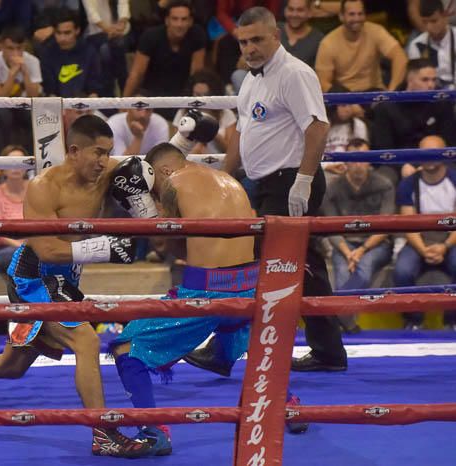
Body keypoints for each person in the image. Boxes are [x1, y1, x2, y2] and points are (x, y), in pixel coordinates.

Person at [0, 115, 154, 458]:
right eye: (97, 153)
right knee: (86, 339)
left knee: (12, 365)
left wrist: (145, 206)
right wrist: (106, 248)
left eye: (107, 153)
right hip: (34, 276)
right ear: (74, 150)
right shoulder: (44, 188)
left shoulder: (109, 171)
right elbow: (46, 248)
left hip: (65, 278)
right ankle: (104, 433)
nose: (103, 161)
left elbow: (153, 183)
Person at [110, 133, 309, 455]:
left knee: (125, 346)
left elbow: (167, 245)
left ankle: (152, 431)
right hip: (251, 283)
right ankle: (287, 403)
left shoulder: (174, 184)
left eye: (154, 190)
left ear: (161, 172)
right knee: (235, 325)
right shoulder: (227, 179)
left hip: (209, 289)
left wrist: (143, 210)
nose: (157, 195)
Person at [220, 6, 347, 372]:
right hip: (264, 184)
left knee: (268, 267)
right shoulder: (250, 79)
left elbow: (318, 128)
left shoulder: (294, 73)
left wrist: (303, 181)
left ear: (276, 36)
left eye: (257, 39)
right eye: (244, 41)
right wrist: (225, 179)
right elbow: (241, 132)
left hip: (291, 183)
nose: (250, 48)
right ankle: (328, 353)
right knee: (305, 268)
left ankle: (232, 348)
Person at [323, 138, 395, 334]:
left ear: (369, 160)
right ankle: (347, 323)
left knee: (364, 267)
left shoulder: (384, 184)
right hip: (344, 244)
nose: (358, 165)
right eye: (353, 159)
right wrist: (348, 253)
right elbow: (331, 227)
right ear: (346, 162)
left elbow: (385, 226)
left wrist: (362, 250)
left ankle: (337, 317)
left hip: (375, 245)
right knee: (341, 270)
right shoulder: (333, 188)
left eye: (362, 159)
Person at [394, 135, 456, 331]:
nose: (429, 157)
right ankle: (413, 320)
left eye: (434, 152)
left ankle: (452, 321)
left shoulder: (455, 180)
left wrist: (445, 246)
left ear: (445, 154)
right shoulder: (408, 184)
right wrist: (424, 250)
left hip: (450, 238)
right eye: (425, 152)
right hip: (419, 239)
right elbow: (408, 224)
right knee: (402, 271)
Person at [123, 0, 205, 118]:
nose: (179, 24)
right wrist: (123, 104)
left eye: (184, 19)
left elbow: (196, 75)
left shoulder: (197, 35)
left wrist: (192, 104)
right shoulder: (150, 36)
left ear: (190, 21)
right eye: (175, 19)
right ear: (167, 20)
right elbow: (136, 74)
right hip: (151, 97)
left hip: (181, 97)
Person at [314, 0, 408, 92]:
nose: (357, 18)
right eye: (352, 14)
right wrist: (344, 103)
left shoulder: (376, 31)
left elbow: (400, 57)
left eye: (360, 14)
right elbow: (323, 82)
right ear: (341, 16)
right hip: (345, 97)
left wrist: (391, 92)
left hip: (374, 96)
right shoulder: (328, 43)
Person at [0, 145, 30, 275]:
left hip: (33, 246)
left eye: (20, 162)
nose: (16, 167)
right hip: (2, 248)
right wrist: (22, 246)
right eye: (11, 162)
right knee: (26, 256)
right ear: (2, 168)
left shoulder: (35, 190)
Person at [39, 8, 102, 98]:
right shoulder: (47, 53)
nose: (62, 38)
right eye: (58, 33)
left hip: (86, 105)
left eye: (67, 33)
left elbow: (93, 89)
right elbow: (50, 91)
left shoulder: (89, 52)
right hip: (58, 105)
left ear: (77, 30)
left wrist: (87, 105)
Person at [407, 0, 456, 89]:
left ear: (445, 17)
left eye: (434, 21)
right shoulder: (417, 45)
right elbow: (417, 80)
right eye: (425, 22)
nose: (429, 27)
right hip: (431, 96)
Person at [0, 26, 42, 98]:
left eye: (19, 48)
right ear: (1, 46)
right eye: (10, 48)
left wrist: (25, 73)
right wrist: (12, 74)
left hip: (22, 104)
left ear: (24, 46)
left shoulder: (33, 61)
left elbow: (34, 97)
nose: (15, 54)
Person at [107, 89, 169, 156]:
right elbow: (121, 163)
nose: (143, 115)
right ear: (128, 108)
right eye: (139, 109)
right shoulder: (113, 123)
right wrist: (138, 137)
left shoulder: (160, 124)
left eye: (148, 109)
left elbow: (161, 160)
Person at [280, 0, 325, 67]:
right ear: (285, 10)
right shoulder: (272, 31)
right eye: (291, 9)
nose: (294, 14)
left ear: (310, 12)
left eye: (300, 10)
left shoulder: (319, 40)